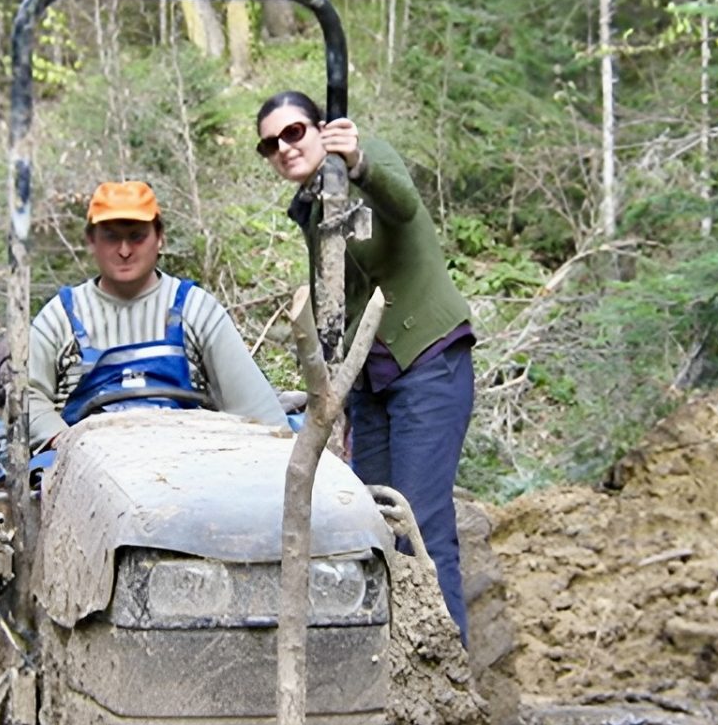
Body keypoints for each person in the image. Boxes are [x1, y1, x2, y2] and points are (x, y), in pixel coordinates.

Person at [255, 92, 475, 644]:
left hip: (426, 358)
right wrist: (338, 397)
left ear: (320, 129)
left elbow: (403, 205)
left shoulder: (368, 159)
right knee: (371, 521)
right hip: (373, 380)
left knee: (419, 521)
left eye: (294, 132)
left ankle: (445, 666)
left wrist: (357, 163)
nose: (284, 148)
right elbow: (343, 306)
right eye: (270, 143)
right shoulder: (310, 208)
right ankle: (387, 661)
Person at [26, 180, 286, 452]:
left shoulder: (197, 310)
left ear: (160, 237)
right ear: (91, 240)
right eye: (111, 237)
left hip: (188, 460)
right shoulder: (59, 317)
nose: (124, 250)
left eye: (137, 236)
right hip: (84, 463)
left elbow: (255, 407)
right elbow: (27, 396)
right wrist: (60, 440)